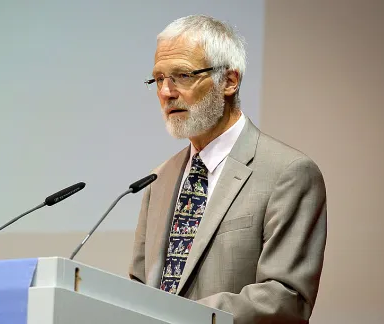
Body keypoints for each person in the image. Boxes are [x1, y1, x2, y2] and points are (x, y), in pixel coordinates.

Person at [128, 15, 327, 324]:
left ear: (229, 81)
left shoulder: (288, 173)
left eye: (182, 75)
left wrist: (182, 317)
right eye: (159, 78)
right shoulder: (159, 179)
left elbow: (285, 298)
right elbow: (139, 289)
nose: (166, 92)